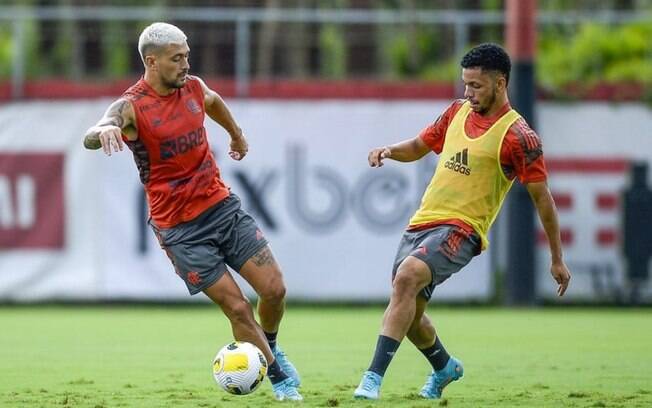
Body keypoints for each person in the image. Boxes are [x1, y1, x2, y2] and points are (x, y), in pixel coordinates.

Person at [82, 22, 302, 401]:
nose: (186, 64)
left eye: (187, 55)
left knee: (275, 289)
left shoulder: (194, 88)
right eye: (176, 58)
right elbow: (99, 127)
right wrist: (101, 131)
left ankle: (269, 347)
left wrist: (236, 134)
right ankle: (281, 382)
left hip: (222, 209)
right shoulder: (132, 106)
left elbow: (213, 101)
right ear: (151, 61)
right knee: (237, 307)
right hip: (181, 231)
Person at [353, 43, 571, 400]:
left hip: (463, 229)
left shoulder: (519, 137)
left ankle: (371, 379)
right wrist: (390, 151)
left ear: (501, 83)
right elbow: (419, 146)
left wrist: (557, 258)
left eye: (476, 86)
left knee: (407, 278)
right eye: (465, 85)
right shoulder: (456, 111)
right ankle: (444, 367)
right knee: (407, 310)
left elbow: (542, 200)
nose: (467, 93)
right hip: (422, 222)